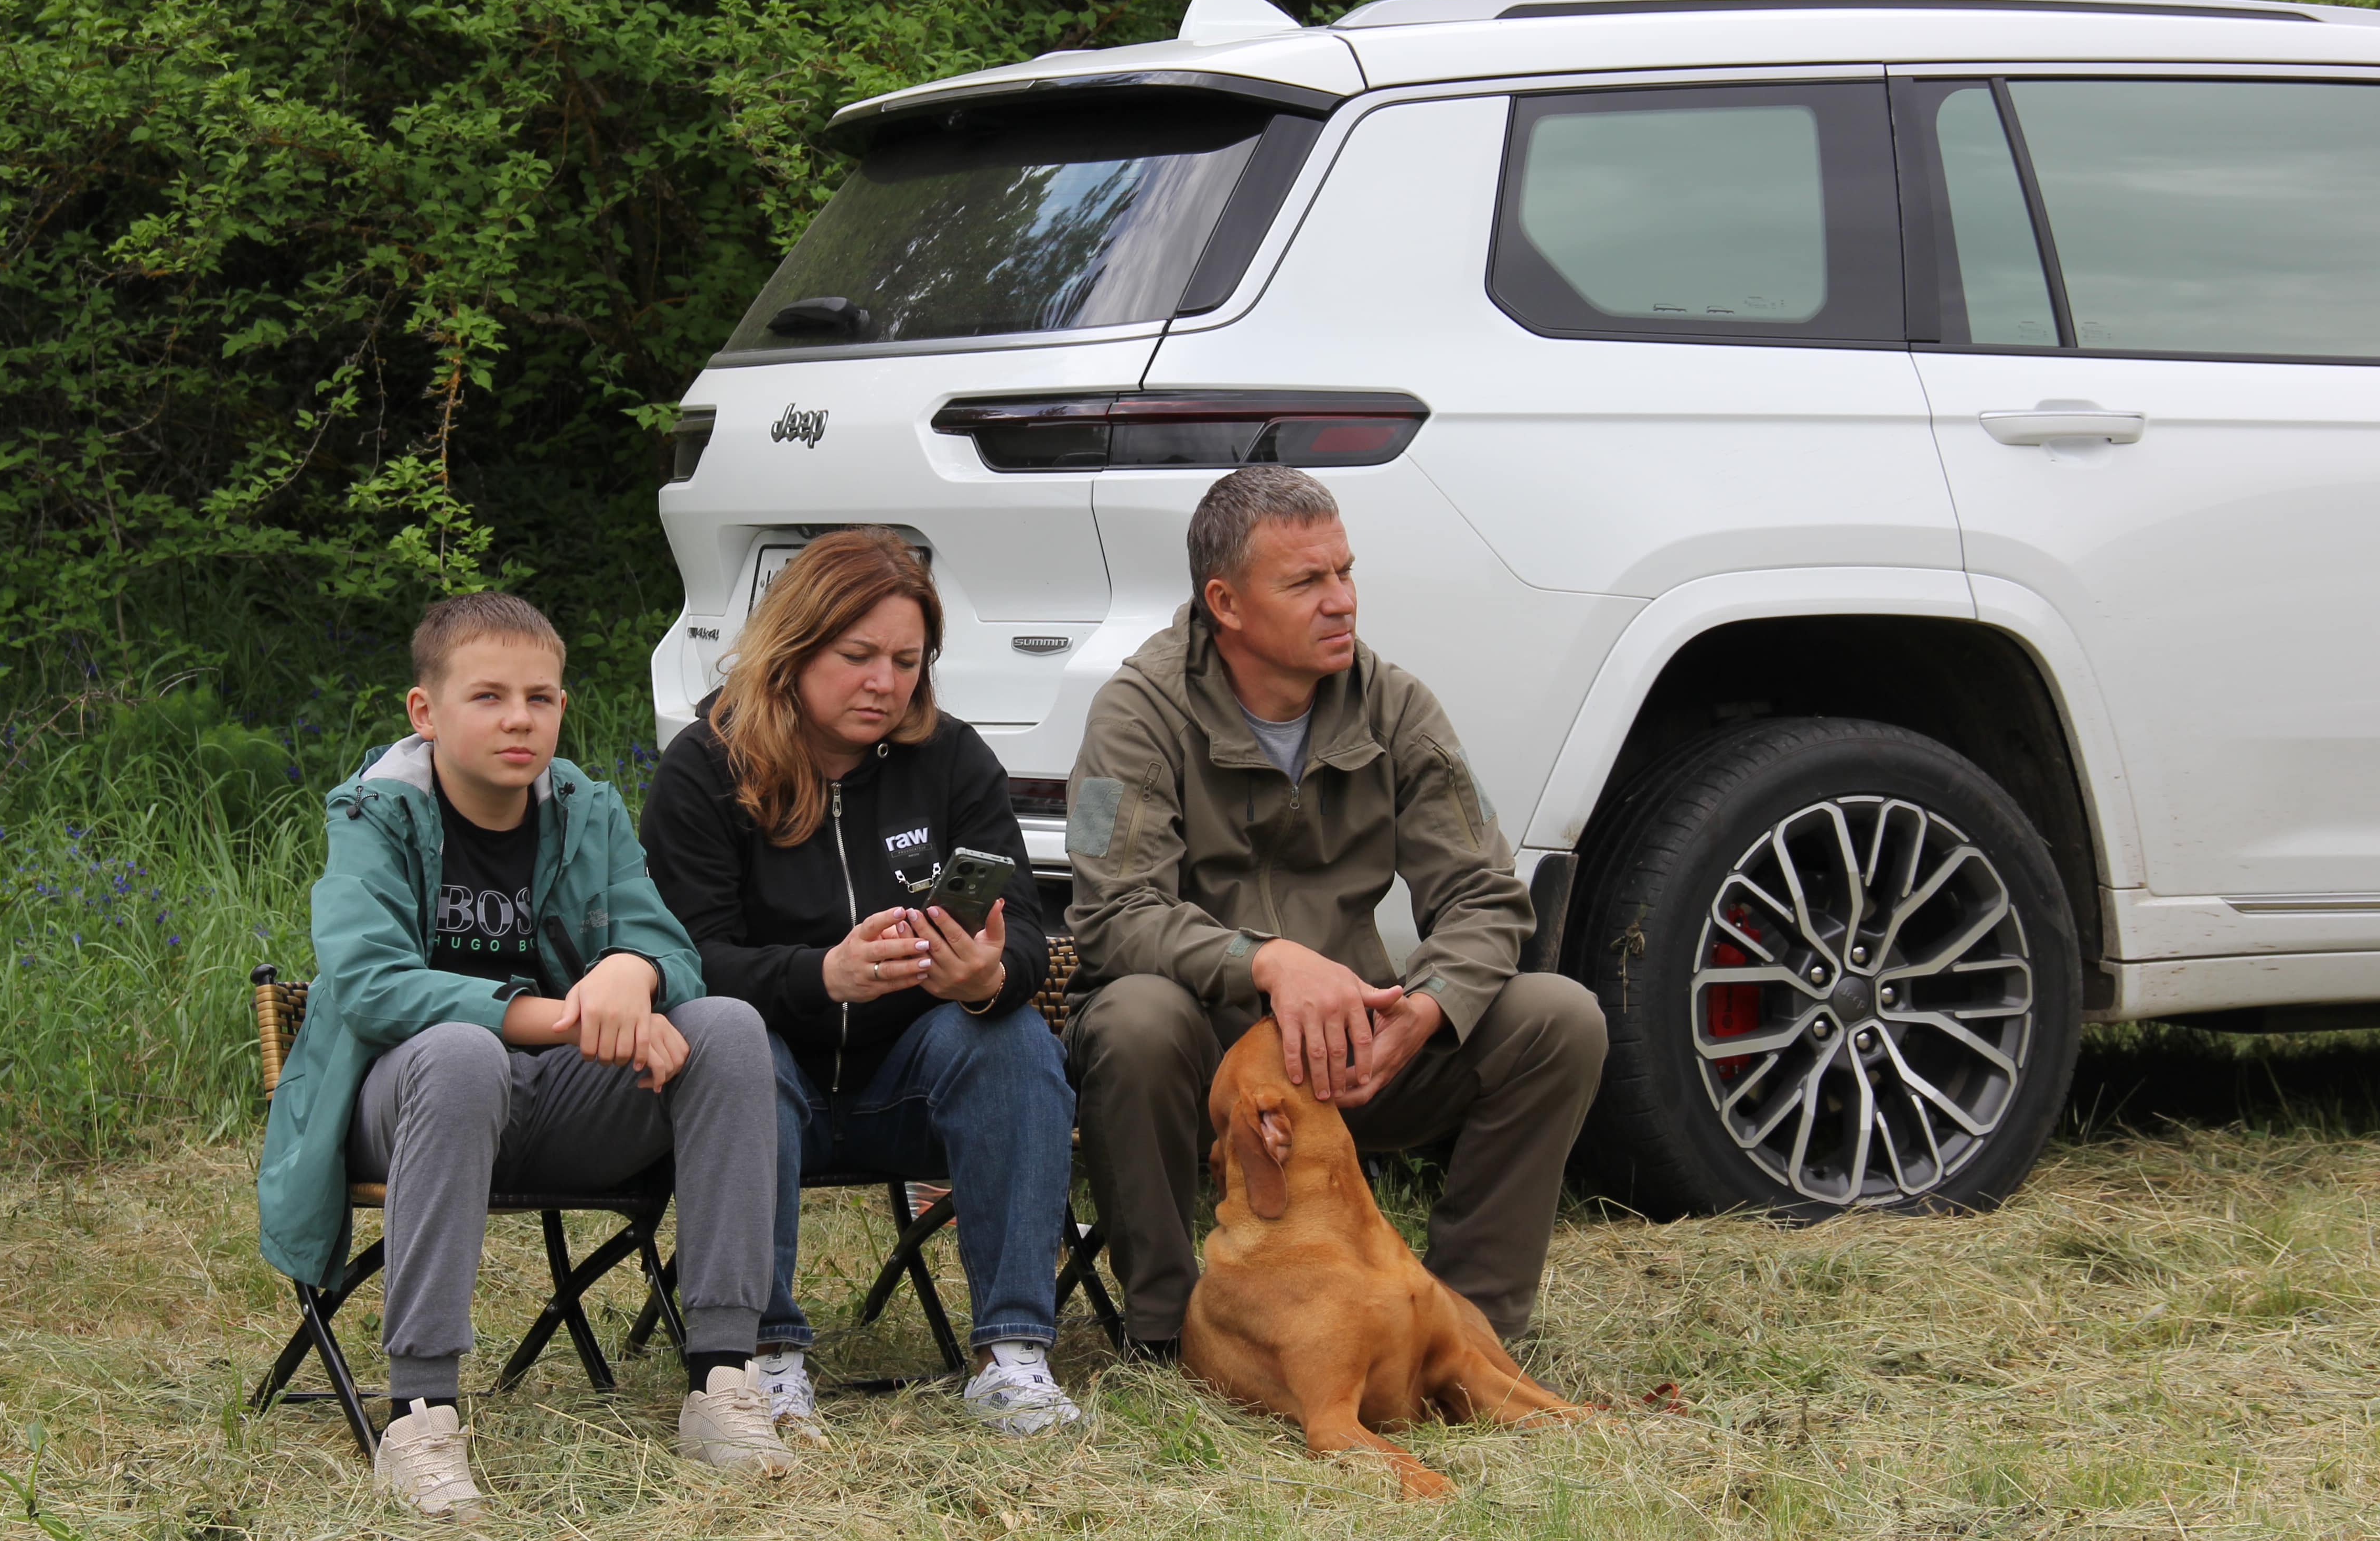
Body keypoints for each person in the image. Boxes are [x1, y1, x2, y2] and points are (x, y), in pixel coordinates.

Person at [256, 592, 793, 1519]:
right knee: (461, 1054)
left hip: (559, 1109)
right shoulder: (374, 816)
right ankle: (420, 1414)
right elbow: (371, 985)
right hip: (406, 1106)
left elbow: (673, 952)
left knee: (730, 1029)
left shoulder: (586, 811)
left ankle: (723, 1381)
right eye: (489, 696)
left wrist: (631, 969)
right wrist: (567, 1017)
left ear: (562, 707)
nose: (519, 719)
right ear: (426, 712)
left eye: (540, 698)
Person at [1064, 466, 1608, 1361]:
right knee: (1133, 1021)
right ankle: (1169, 1333)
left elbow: (1486, 895)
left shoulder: (1395, 704)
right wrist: (1265, 961)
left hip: (1359, 1049)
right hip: (1213, 1054)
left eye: (1345, 572)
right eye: (1306, 582)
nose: (1342, 601)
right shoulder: (1136, 712)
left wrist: (1427, 1007)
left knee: (1559, 1017)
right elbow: (1113, 913)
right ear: (1226, 604)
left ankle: (1465, 1330)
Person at [640, 529, 1083, 1439]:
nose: (885, 683)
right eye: (858, 656)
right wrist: (823, 975)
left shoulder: (951, 759)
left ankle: (1012, 1356)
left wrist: (988, 974)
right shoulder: (707, 767)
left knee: (1010, 1035)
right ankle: (764, 1357)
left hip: (911, 1077)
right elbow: (681, 961)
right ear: (795, 648)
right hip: (771, 1084)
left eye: (907, 663)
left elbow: (1030, 932)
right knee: (737, 1046)